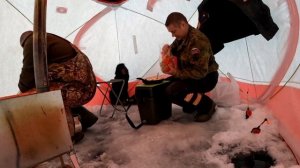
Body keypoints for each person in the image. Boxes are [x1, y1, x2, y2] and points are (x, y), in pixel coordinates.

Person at [18, 31, 98, 142]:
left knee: (35, 96)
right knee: (53, 89)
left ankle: (70, 134)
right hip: (85, 86)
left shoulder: (32, 42)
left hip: (81, 89)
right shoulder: (47, 39)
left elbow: (26, 79)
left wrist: (19, 96)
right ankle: (86, 118)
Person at [160, 12, 219, 122]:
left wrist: (177, 73)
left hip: (206, 77)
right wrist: (166, 49)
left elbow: (200, 72)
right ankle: (193, 102)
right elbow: (173, 49)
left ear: (182, 24)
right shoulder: (182, 37)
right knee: (163, 86)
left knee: (174, 91)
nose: (173, 35)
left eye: (173, 31)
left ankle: (207, 106)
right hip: (189, 74)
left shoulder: (197, 41)